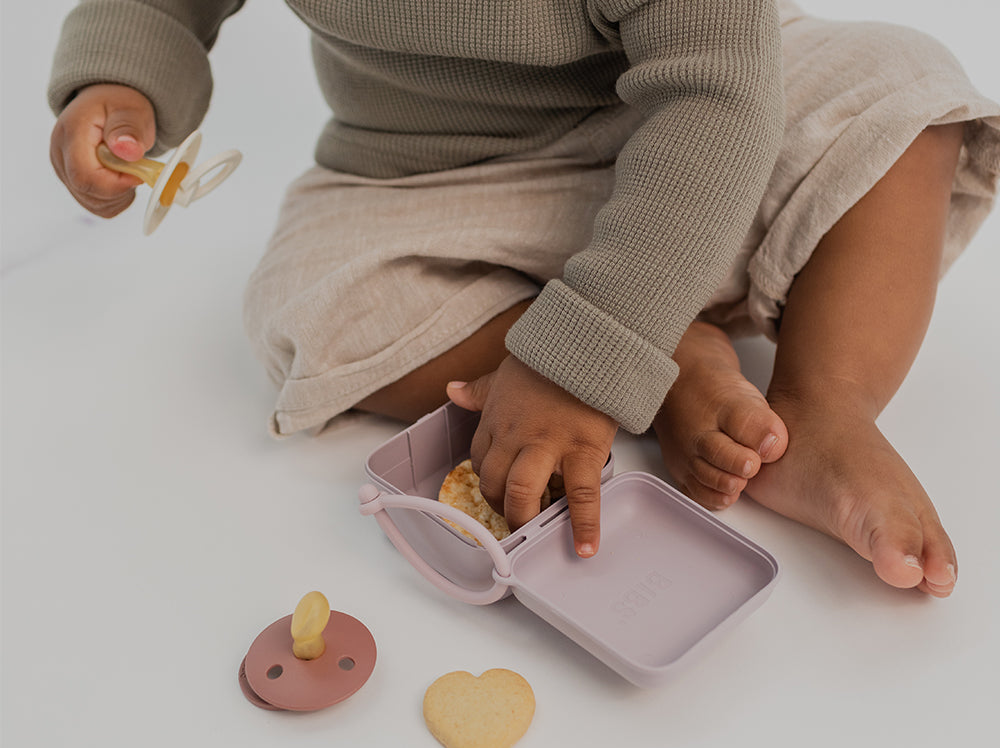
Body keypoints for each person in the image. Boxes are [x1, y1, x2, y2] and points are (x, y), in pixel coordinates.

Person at [49, 0, 999, 598]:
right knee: (306, 303)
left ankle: (824, 403)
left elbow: (718, 97)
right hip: (424, 179)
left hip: (682, 141)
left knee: (903, 89)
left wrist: (585, 358)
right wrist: (123, 78)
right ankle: (668, 361)